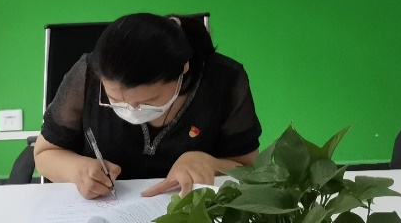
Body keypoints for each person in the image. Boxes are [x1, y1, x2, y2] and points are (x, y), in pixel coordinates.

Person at [34, 13, 262, 199]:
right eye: (115, 99)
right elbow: (45, 154)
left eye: (148, 102)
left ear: (182, 69)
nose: (131, 110)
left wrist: (211, 164)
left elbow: (249, 167)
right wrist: (77, 170)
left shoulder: (224, 81)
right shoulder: (87, 76)